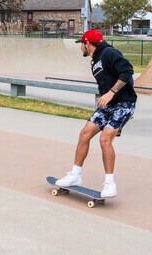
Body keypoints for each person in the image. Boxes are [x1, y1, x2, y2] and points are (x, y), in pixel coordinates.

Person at [55, 30, 137, 198]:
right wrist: (105, 95)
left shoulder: (109, 53)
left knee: (104, 139)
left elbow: (127, 71)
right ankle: (75, 175)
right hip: (108, 105)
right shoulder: (95, 60)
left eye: (81, 45)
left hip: (124, 103)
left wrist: (112, 92)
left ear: (87, 44)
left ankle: (109, 183)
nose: (80, 49)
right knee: (85, 134)